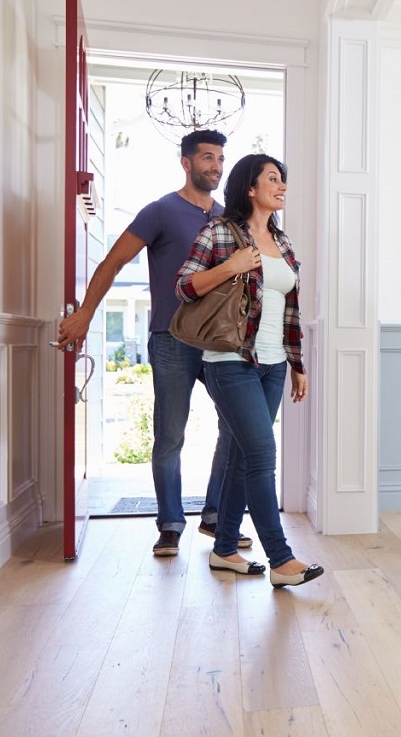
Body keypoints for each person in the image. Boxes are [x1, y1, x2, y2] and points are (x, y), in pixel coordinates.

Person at [56, 129, 253, 557]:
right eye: (207, 158)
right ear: (186, 162)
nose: (216, 166)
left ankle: (216, 516)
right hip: (171, 338)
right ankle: (169, 524)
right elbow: (112, 262)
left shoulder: (227, 219)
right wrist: (86, 313)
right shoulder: (160, 211)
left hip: (221, 343)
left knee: (236, 428)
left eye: (220, 159)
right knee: (169, 435)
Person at [175, 153, 323, 587]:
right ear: (250, 188)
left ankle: (223, 550)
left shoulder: (284, 241)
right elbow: (183, 286)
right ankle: (281, 560)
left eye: (284, 180)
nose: (282, 187)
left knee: (242, 457)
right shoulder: (219, 233)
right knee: (262, 456)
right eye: (273, 179)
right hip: (230, 362)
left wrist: (297, 365)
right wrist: (230, 266)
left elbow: (290, 310)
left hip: (274, 365)